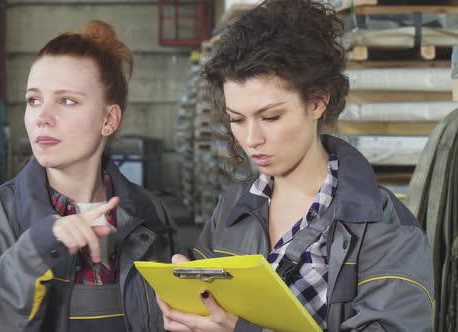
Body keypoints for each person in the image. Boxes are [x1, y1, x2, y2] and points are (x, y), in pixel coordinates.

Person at [156, 0, 434, 331]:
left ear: (317, 101)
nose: (251, 138)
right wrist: (188, 312)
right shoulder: (232, 207)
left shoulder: (385, 228)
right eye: (236, 119)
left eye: (270, 117)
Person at [0, 20, 175, 332]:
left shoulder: (149, 214)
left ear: (109, 119)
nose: (42, 118)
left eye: (67, 101)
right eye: (33, 100)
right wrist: (33, 253)